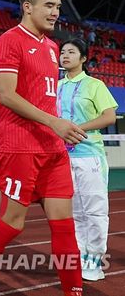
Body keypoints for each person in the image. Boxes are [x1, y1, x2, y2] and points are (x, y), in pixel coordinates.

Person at [0, 0, 87, 296]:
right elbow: (7, 95)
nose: (55, 12)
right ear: (27, 7)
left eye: (58, 6)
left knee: (63, 224)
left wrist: (56, 127)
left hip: (52, 148)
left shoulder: (52, 47)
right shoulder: (10, 40)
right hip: (20, 147)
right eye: (49, 5)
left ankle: (73, 291)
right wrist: (54, 122)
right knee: (13, 224)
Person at [58, 38, 118, 282]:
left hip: (89, 156)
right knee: (72, 212)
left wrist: (76, 129)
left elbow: (109, 117)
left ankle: (94, 262)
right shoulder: (56, 86)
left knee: (94, 211)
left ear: (83, 58)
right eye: (62, 52)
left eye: (71, 52)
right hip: (61, 156)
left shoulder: (95, 85)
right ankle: (78, 258)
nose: (65, 56)